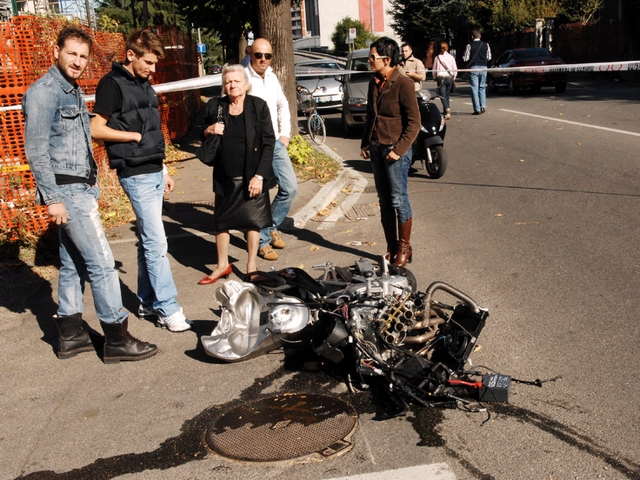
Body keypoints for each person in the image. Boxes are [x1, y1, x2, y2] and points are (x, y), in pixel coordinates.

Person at [22, 27, 158, 363]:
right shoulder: (44, 92)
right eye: (72, 54)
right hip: (66, 191)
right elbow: (36, 150)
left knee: (72, 263)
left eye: (83, 56)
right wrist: (52, 198)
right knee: (102, 265)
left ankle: (70, 334)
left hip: (79, 187)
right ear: (57, 52)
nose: (78, 61)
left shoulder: (71, 91)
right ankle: (117, 337)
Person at [90, 28, 191, 333]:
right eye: (148, 62)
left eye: (155, 63)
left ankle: (147, 300)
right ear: (131, 55)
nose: (153, 68)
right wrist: (129, 136)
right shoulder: (111, 84)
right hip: (134, 173)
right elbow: (96, 128)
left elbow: (152, 131)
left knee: (149, 240)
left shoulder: (145, 85)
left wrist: (163, 169)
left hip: (153, 170)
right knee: (156, 242)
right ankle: (168, 308)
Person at [197, 65, 275, 284]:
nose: (232, 85)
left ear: (245, 84)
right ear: (224, 85)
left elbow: (269, 142)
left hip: (252, 176)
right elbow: (200, 133)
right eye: (228, 81)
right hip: (225, 175)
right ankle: (223, 265)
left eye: (236, 81)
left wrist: (260, 175)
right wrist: (208, 130)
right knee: (221, 222)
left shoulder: (257, 106)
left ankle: (251, 266)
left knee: (253, 221)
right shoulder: (215, 106)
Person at [360, 37, 420, 267]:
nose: (369, 60)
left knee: (398, 199)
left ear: (387, 59)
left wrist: (399, 150)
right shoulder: (373, 82)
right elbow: (370, 116)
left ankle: (405, 247)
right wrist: (365, 142)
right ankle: (391, 247)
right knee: (384, 201)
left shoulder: (403, 83)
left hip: (395, 149)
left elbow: (414, 122)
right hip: (376, 148)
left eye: (372, 57)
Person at [245, 37, 298, 262]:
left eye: (268, 56)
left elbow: (282, 105)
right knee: (261, 192)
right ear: (250, 53)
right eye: (259, 55)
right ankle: (263, 242)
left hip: (275, 142)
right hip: (253, 146)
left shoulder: (272, 76)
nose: (263, 60)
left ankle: (270, 227)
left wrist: (285, 133)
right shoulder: (242, 77)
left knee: (290, 188)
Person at [463, 28, 491, 115]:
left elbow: (465, 58)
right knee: (482, 87)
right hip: (483, 68)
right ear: (480, 36)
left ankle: (477, 109)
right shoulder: (486, 45)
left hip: (474, 68)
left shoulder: (469, 45)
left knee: (474, 88)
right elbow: (489, 57)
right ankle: (483, 106)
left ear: (472, 37)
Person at [432, 41, 458, 119]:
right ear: (447, 48)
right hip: (449, 77)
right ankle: (446, 112)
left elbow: (434, 69)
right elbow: (455, 69)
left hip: (441, 77)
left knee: (442, 95)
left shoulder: (437, 58)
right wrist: (454, 77)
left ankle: (447, 109)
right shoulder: (451, 57)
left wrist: (434, 77)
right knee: (447, 95)